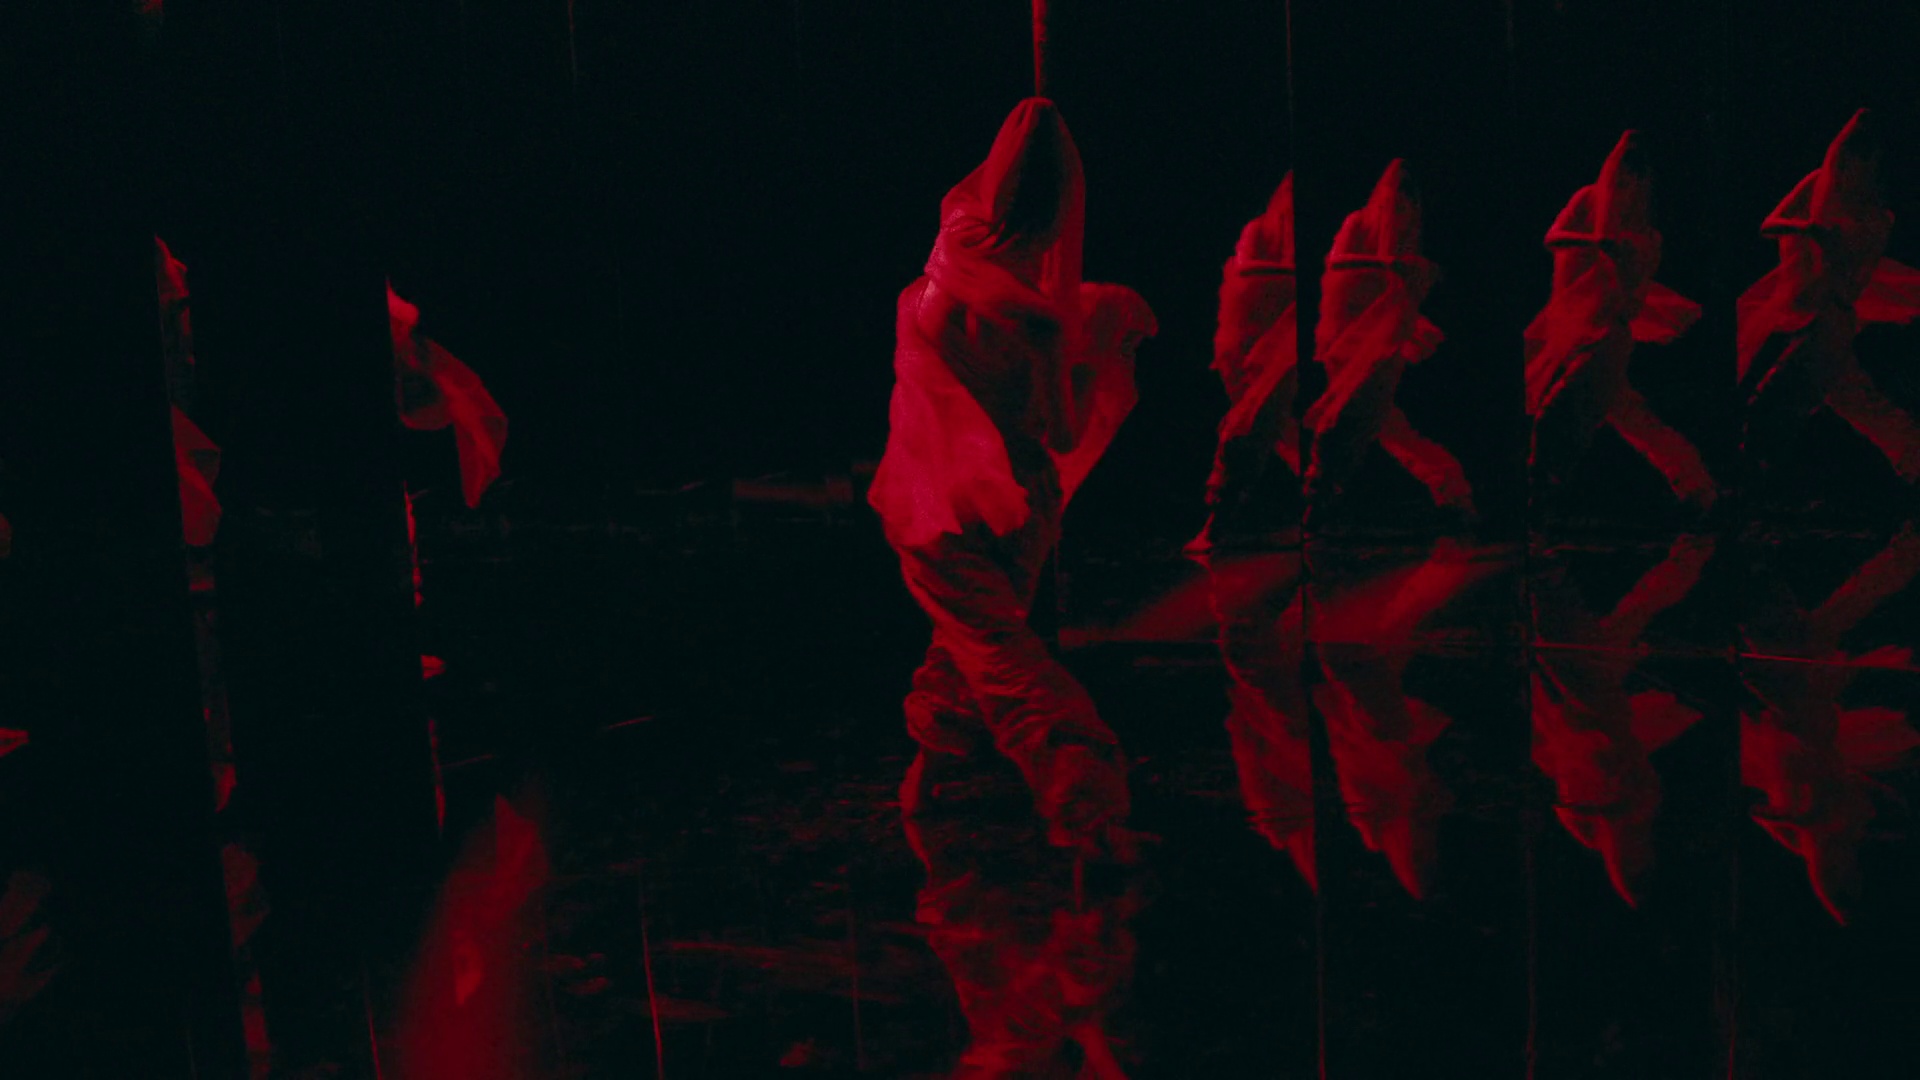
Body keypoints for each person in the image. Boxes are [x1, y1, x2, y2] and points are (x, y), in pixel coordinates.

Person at [869, 99, 1153, 859]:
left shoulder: (924, 287)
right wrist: (1097, 356)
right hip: (1015, 508)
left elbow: (928, 397)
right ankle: (1080, 801)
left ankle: (956, 782)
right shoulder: (1040, 322)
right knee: (994, 650)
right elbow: (1061, 433)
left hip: (929, 502)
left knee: (977, 641)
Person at [1525, 132, 1717, 514]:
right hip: (1574, 327)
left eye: (1632, 183)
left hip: (1605, 336)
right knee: (1630, 417)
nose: (1623, 190)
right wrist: (1596, 244)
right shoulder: (1588, 200)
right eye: (1621, 180)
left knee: (1561, 411)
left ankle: (1540, 488)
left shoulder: (1646, 236)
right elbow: (1553, 237)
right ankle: (1697, 487)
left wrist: (1618, 254)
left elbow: (1631, 299)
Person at [1739, 109, 1920, 486]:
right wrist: (1808, 229)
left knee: (1782, 400)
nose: (1853, 169)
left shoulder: (1877, 219)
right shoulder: (1819, 185)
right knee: (1854, 402)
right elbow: (1770, 224)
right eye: (1851, 160)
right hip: (1800, 311)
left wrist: (1828, 244)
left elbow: (1855, 276)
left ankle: (1757, 478)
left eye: (1863, 162)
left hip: (1827, 320)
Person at [1302, 161, 1473, 523]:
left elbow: (1405, 281)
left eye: (1406, 204)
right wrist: (1385, 266)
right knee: (1373, 421)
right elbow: (1337, 267)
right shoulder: (1357, 223)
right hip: (1346, 335)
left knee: (1358, 417)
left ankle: (1322, 496)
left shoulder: (1405, 236)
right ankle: (1449, 488)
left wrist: (1409, 273)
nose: (1399, 211)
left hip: (1383, 336)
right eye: (1394, 203)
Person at [1190, 175, 1298, 553]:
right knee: (1257, 427)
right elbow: (1247, 287)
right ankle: (1219, 521)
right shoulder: (1258, 232)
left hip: (1280, 346)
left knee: (1253, 427)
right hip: (1246, 346)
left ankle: (1218, 522)